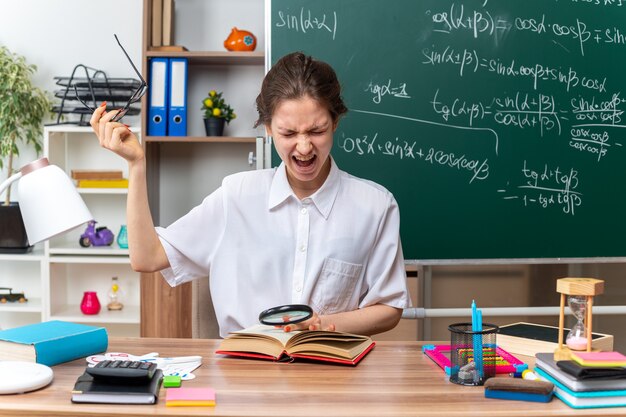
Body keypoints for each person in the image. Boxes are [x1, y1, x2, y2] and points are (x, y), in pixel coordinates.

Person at [90, 51, 411, 338]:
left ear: (336, 123)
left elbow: (389, 307)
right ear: (268, 128)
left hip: (331, 374)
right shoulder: (237, 195)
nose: (303, 146)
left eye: (316, 130)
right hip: (243, 377)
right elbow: (146, 258)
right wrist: (137, 164)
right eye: (288, 133)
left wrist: (320, 324)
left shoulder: (374, 205)